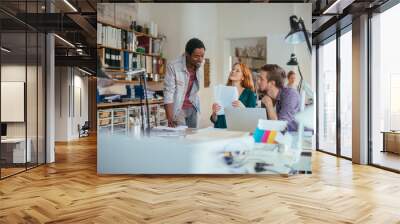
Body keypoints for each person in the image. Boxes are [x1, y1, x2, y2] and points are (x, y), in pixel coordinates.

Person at [163, 38, 205, 128]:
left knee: (192, 138)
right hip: (179, 109)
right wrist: (169, 118)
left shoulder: (200, 65)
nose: (200, 59)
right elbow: (168, 93)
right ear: (187, 54)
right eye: (196, 56)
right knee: (180, 138)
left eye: (202, 56)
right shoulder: (173, 66)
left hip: (193, 107)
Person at [211, 63, 257, 128]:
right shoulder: (222, 91)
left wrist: (243, 108)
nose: (233, 71)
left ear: (243, 77)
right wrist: (214, 112)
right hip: (220, 130)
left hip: (238, 131)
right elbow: (214, 120)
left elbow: (253, 119)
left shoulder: (249, 94)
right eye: (233, 69)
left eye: (237, 70)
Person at [257, 64, 300, 131]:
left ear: (272, 83)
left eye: (261, 79)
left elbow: (281, 128)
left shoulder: (290, 95)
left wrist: (269, 106)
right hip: (281, 137)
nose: (258, 81)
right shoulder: (267, 97)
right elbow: (266, 125)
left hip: (302, 137)